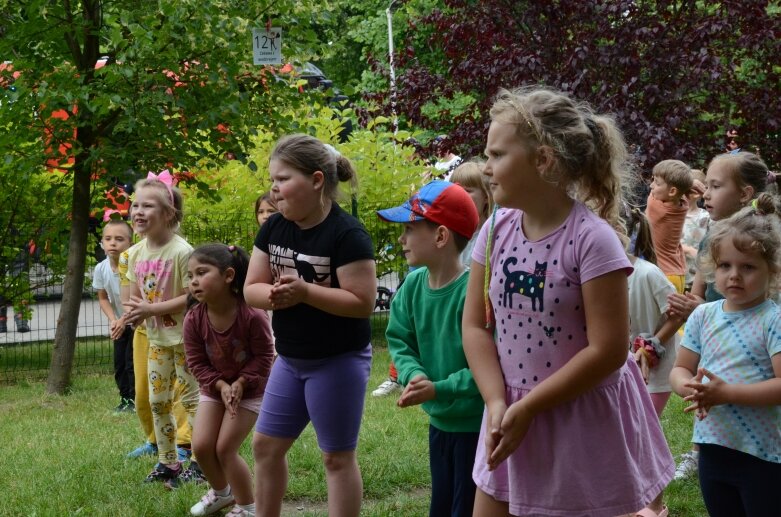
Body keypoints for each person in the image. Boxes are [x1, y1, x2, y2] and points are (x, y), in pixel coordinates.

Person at [462, 87, 674, 517]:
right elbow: (474, 326)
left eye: (497, 155)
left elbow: (610, 350)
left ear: (543, 160)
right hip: (510, 411)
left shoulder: (592, 240)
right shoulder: (495, 230)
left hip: (578, 420)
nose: (486, 168)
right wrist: (497, 402)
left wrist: (529, 406)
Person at [244, 134, 376, 517]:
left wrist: (304, 293)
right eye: (272, 179)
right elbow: (252, 288)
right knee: (265, 447)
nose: (274, 188)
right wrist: (276, 295)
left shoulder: (347, 234)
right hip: (290, 360)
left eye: (283, 179)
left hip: (337, 361)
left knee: (336, 457)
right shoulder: (273, 229)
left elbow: (362, 303)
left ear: (317, 180)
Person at [669, 195, 781, 516]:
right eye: (725, 265)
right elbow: (680, 368)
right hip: (712, 448)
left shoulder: (772, 320)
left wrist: (727, 394)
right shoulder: (704, 315)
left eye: (747, 267)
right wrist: (688, 387)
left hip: (761, 454)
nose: (734, 275)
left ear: (771, 272)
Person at [378, 180, 483, 517]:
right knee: (441, 505)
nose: (401, 239)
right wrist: (416, 375)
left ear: (441, 236)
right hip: (439, 424)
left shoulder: (476, 294)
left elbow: (489, 368)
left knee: (465, 507)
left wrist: (438, 388)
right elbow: (400, 340)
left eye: (409, 229)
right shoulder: (411, 286)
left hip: (475, 427)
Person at [185, 244, 274, 517]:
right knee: (201, 447)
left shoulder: (252, 315)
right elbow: (196, 363)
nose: (194, 281)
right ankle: (223, 494)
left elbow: (265, 355)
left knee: (225, 448)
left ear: (228, 275)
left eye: (202, 272)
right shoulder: (193, 319)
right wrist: (221, 385)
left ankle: (248, 508)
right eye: (190, 276)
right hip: (215, 388)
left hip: (250, 390)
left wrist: (241, 382)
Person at [124, 171, 200, 484]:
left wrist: (150, 308)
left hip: (186, 339)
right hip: (157, 340)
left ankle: (201, 461)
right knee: (159, 402)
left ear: (168, 214)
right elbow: (135, 294)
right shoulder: (136, 253)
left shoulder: (182, 252)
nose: (137, 212)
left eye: (147, 206)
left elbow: (193, 296)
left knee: (193, 401)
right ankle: (168, 463)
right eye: (135, 205)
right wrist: (132, 314)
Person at [626, 209, 685, 517]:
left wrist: (652, 344)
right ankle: (636, 503)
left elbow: (677, 313)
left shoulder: (648, 273)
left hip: (657, 374)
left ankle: (654, 507)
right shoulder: (605, 272)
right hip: (625, 372)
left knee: (645, 436)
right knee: (630, 436)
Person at [92, 218, 135, 413]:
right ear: (101, 242)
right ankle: (125, 399)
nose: (113, 243)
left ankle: (136, 400)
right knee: (119, 362)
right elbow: (102, 297)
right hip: (119, 322)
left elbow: (137, 298)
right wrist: (113, 321)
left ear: (130, 243)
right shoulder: (100, 268)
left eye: (119, 239)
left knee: (131, 362)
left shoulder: (135, 266)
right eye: (108, 239)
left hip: (137, 321)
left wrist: (123, 320)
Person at [646, 159, 694, 294]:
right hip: (677, 273)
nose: (651, 186)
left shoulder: (658, 209)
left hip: (664, 275)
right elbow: (683, 188)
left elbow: (651, 196)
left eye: (657, 182)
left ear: (672, 191)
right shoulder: (682, 204)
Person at [449, 160, 494, 267]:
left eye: (467, 191)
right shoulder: (449, 235)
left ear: (486, 197)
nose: (459, 196)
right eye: (455, 190)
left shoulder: (492, 237)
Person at [681, 169, 709, 292]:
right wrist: (687, 250)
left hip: (694, 282)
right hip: (671, 277)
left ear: (695, 194)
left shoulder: (706, 218)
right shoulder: (671, 216)